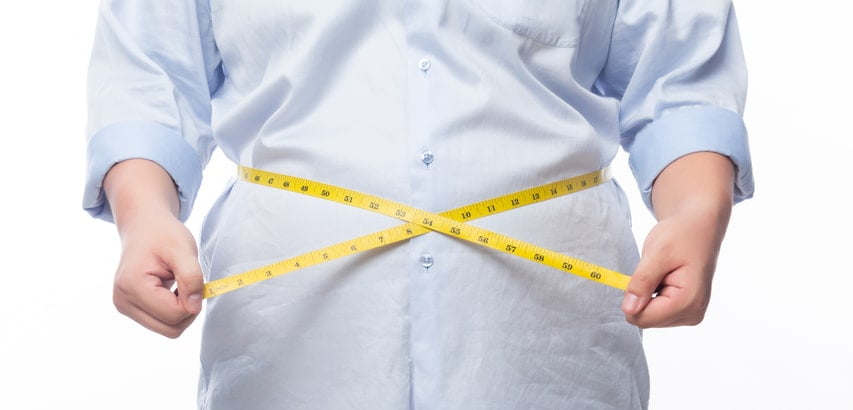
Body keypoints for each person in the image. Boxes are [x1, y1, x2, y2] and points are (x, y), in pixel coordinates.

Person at [83, 1, 753, 409]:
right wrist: (145, 216)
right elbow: (150, 77)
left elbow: (678, 81)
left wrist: (694, 214)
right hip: (290, 341)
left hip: (543, 344)